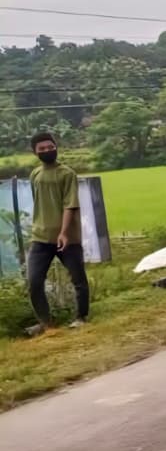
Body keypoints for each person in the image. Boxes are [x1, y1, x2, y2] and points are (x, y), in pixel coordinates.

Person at [25, 131, 90, 336]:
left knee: (78, 278)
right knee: (34, 282)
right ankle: (46, 322)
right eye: (42, 149)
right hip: (40, 237)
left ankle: (80, 317)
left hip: (67, 238)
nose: (47, 151)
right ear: (35, 152)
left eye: (50, 147)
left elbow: (70, 205)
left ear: (56, 146)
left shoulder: (67, 173)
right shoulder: (35, 174)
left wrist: (63, 233)